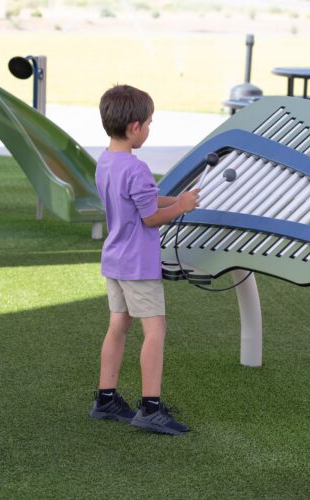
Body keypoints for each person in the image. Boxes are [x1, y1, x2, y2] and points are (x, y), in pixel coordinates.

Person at [88, 84, 200, 435]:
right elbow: (149, 217)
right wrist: (180, 207)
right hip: (138, 264)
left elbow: (145, 200)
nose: (149, 130)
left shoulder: (106, 162)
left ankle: (105, 399)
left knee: (118, 326)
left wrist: (176, 198)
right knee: (155, 330)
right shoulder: (136, 168)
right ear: (135, 127)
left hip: (115, 260)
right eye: (149, 123)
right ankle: (150, 408)